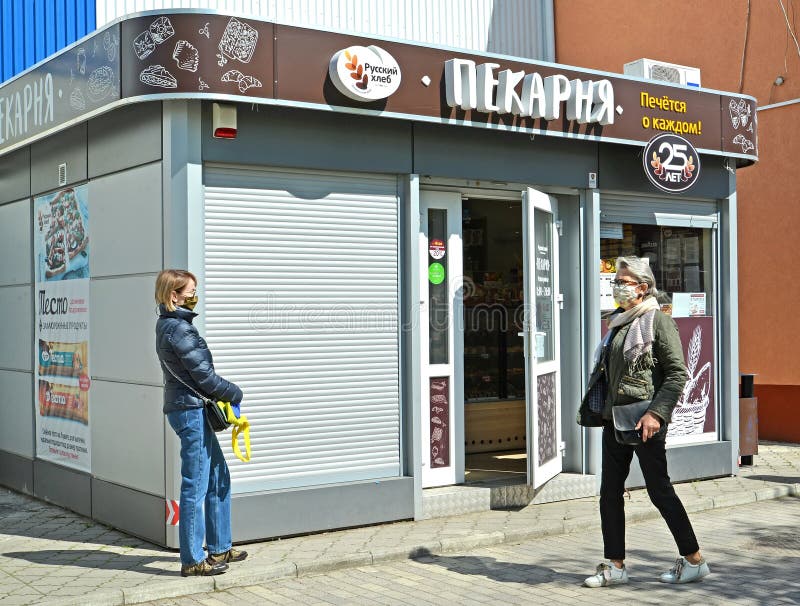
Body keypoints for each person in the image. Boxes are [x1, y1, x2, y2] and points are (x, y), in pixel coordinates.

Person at [577, 256, 710, 587]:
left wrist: (656, 413)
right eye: (616, 280)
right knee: (609, 491)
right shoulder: (619, 321)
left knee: (658, 489)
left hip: (644, 419)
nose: (617, 285)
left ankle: (694, 560)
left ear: (643, 286)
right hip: (615, 418)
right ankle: (615, 566)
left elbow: (678, 373)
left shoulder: (656, 321)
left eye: (623, 281)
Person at [154, 269, 248, 577]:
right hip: (190, 411)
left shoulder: (175, 326)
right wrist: (235, 392)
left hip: (193, 408)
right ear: (174, 296)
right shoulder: (177, 330)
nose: (196, 296)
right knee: (195, 484)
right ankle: (193, 560)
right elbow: (204, 377)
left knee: (219, 475)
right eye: (191, 291)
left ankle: (220, 547)